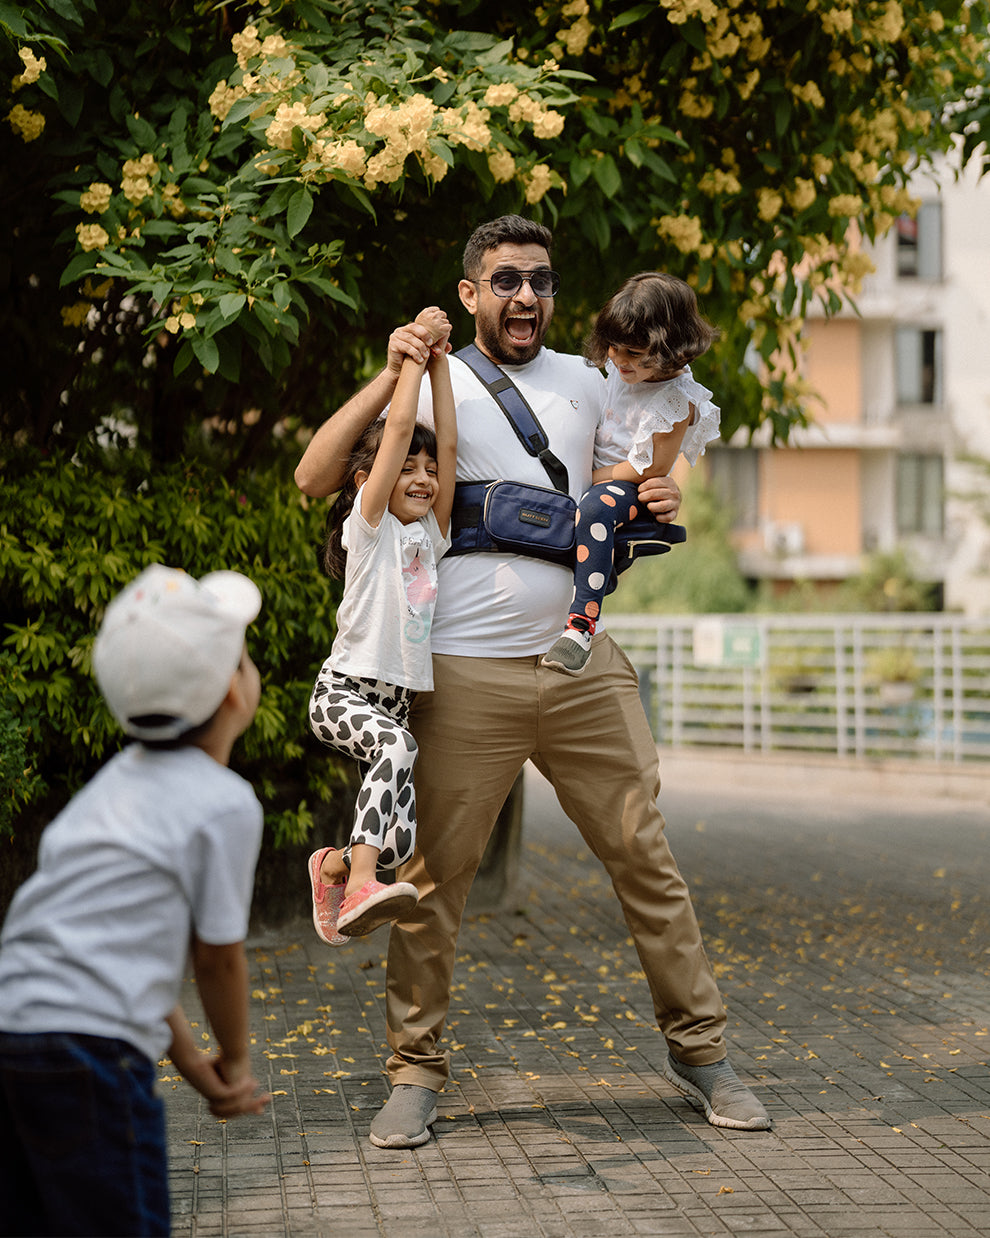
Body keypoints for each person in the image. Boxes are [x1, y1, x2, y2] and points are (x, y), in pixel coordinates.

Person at [295, 215, 771, 1149]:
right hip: (464, 671)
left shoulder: (594, 384)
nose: (526, 297)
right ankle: (415, 1071)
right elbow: (319, 475)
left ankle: (704, 1053)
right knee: (433, 877)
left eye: (542, 281)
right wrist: (396, 367)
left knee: (647, 859)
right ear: (470, 291)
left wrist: (661, 490)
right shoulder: (437, 386)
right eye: (506, 280)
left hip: (583, 664)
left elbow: (630, 472)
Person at [0, 564, 271, 1237]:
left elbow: (126, 974)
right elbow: (217, 960)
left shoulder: (112, 787)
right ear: (234, 692)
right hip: (89, 1060)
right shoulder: (222, 805)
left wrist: (196, 1073)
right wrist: (234, 1061)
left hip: (15, 1032)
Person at [307, 306, 456, 943]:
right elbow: (398, 433)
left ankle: (339, 866)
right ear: (373, 482)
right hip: (344, 691)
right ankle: (360, 885)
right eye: (407, 469)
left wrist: (444, 368)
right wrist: (413, 365)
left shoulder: (432, 536)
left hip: (392, 703)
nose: (422, 477)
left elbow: (444, 445)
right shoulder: (370, 532)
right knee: (398, 748)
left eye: (429, 473)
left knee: (400, 843)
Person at [543, 271, 721, 675]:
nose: (620, 360)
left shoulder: (675, 399)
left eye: (634, 353)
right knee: (588, 511)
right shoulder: (620, 374)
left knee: (593, 509)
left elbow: (650, 468)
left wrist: (590, 475)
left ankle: (581, 626)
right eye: (614, 348)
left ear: (674, 350)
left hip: (625, 488)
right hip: (602, 480)